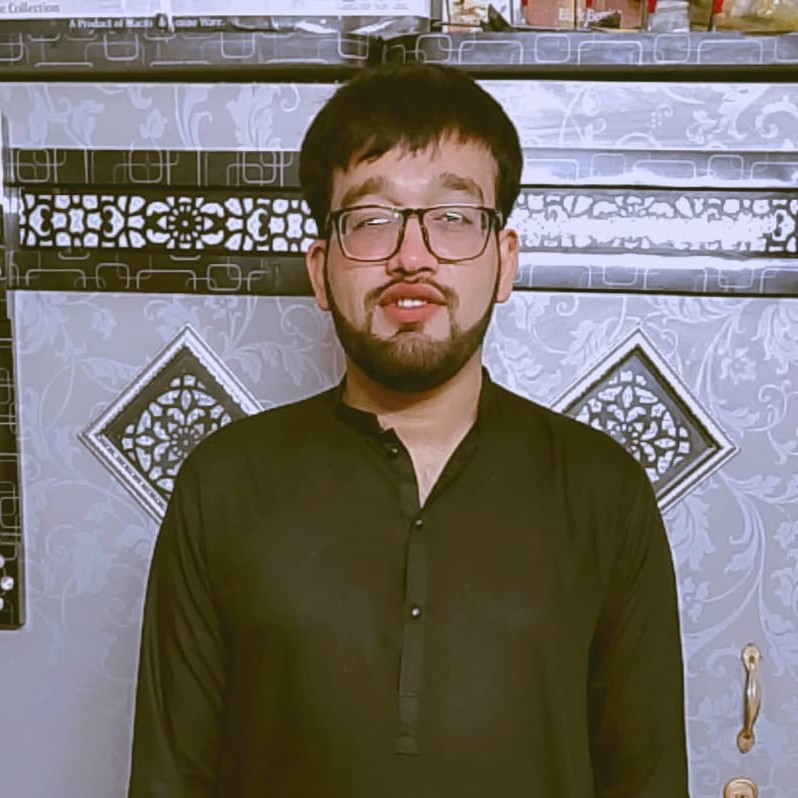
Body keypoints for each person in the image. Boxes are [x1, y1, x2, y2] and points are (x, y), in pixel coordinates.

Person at [127, 62, 689, 798]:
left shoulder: (602, 490)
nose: (412, 256)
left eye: (453, 217)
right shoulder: (224, 485)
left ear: (505, 262)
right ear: (321, 270)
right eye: (372, 220)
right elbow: (169, 779)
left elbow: (649, 781)